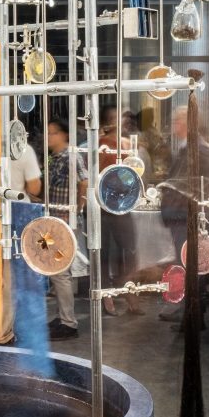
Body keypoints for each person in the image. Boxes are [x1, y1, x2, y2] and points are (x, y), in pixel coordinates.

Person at [159, 105, 209, 328]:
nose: (174, 125)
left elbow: (199, 187)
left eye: (178, 120)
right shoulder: (189, 148)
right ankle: (188, 312)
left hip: (188, 217)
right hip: (183, 216)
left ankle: (192, 317)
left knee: (191, 266)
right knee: (187, 265)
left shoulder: (198, 150)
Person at [0, 142, 42, 344]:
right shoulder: (23, 149)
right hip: (17, 211)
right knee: (14, 274)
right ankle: (4, 330)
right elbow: (35, 187)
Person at [98, 106, 144, 316]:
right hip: (103, 205)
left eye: (122, 117)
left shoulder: (127, 144)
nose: (121, 121)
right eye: (115, 118)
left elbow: (132, 175)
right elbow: (97, 174)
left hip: (123, 204)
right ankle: (106, 296)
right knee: (103, 253)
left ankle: (129, 291)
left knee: (129, 250)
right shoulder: (100, 144)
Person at [46, 117, 87, 340]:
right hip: (54, 221)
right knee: (56, 271)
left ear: (65, 135)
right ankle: (62, 316)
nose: (48, 137)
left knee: (61, 272)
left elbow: (84, 182)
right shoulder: (55, 157)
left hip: (64, 222)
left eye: (53, 132)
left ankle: (69, 323)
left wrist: (77, 210)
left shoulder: (71, 156)